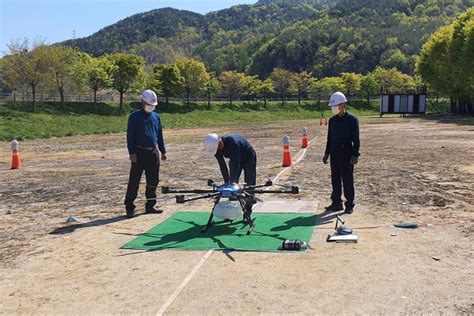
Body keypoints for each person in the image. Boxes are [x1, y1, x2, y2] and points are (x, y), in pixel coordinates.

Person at [124, 89, 167, 218]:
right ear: (142, 101)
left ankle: (150, 205)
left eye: (152, 105)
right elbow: (130, 136)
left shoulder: (156, 117)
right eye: (148, 104)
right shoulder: (134, 117)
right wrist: (132, 152)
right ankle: (129, 207)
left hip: (153, 153)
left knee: (153, 180)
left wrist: (163, 150)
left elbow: (159, 135)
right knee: (134, 181)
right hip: (138, 152)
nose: (150, 107)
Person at [203, 133, 257, 222]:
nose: (219, 150)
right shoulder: (216, 148)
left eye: (219, 147)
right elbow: (222, 165)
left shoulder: (232, 142)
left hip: (248, 157)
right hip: (236, 159)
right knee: (231, 189)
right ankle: (231, 212)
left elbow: (235, 163)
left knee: (249, 184)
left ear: (220, 142)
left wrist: (232, 181)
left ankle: (247, 211)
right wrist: (227, 182)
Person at [323, 91, 360, 214]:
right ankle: (336, 203)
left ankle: (349, 204)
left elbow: (356, 139)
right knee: (335, 179)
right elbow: (330, 138)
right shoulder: (332, 120)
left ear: (342, 105)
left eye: (335, 106)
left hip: (347, 152)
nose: (333, 109)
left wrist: (355, 154)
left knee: (347, 179)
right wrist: (327, 153)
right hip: (334, 151)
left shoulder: (352, 120)